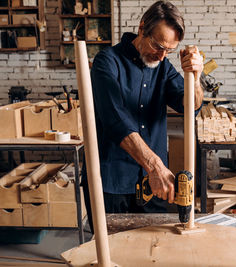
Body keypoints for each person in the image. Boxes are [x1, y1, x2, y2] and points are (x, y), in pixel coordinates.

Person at [82, 0, 204, 232]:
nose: (161, 56)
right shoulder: (106, 62)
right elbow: (115, 120)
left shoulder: (164, 68)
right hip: (111, 181)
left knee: (152, 251)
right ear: (142, 28)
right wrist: (155, 165)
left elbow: (190, 107)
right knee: (111, 252)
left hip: (153, 185)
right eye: (158, 46)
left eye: (169, 50)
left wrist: (195, 78)